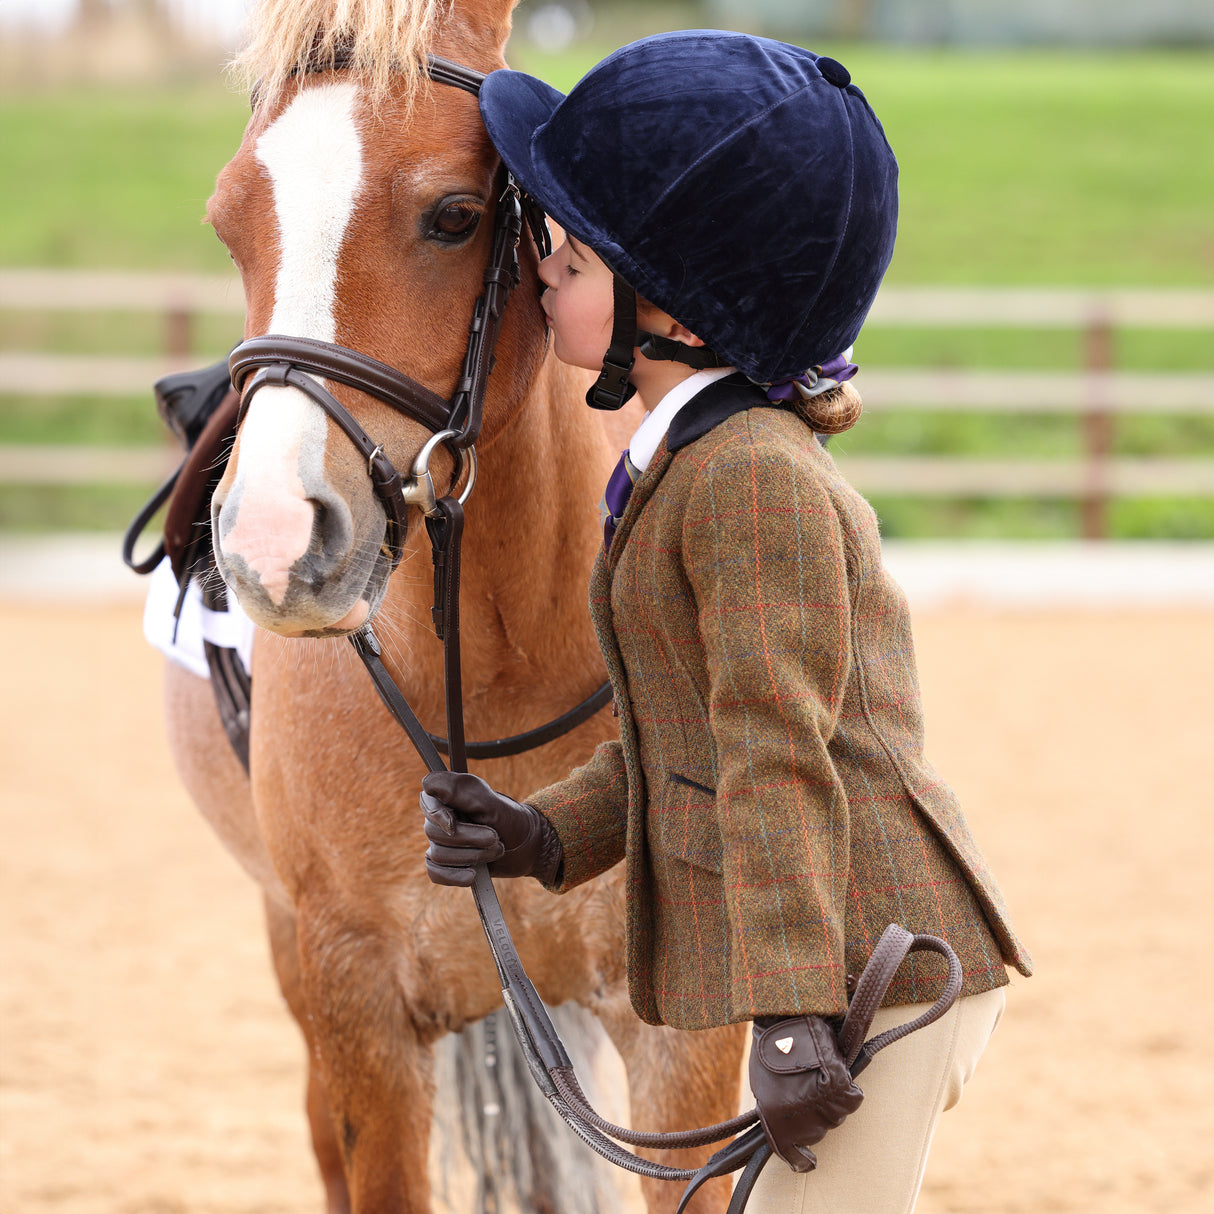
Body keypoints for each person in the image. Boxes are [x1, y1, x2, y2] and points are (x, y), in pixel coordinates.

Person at [421, 30, 1032, 1213]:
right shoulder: (686, 466)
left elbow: (771, 748)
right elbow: (678, 739)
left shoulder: (746, 478)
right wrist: (537, 834)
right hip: (841, 950)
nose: (544, 271)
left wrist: (796, 1010)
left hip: (874, 968)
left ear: (676, 319)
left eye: (576, 258)